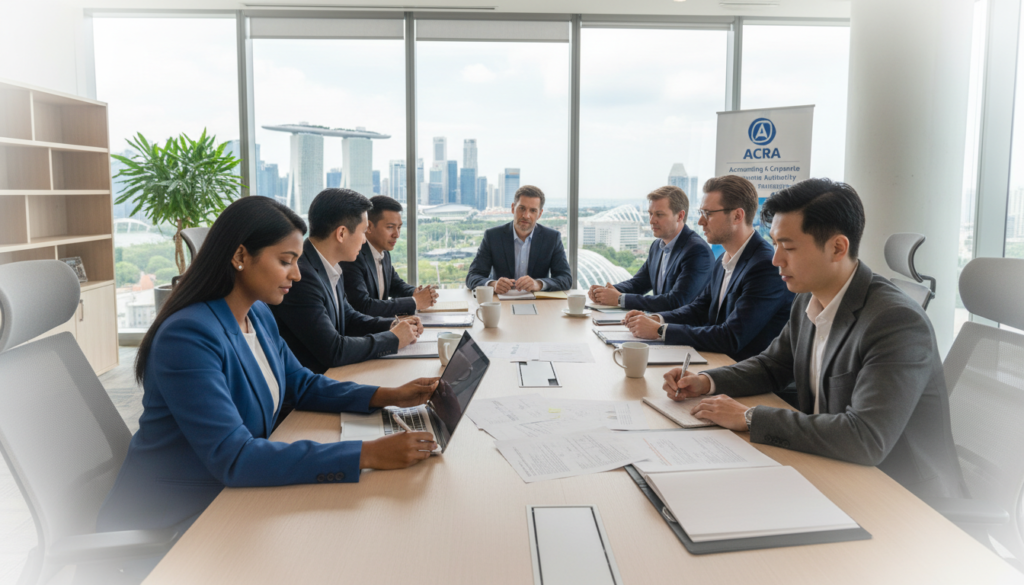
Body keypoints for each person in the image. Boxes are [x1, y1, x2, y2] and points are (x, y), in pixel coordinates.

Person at [98, 196, 439, 540]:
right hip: (173, 522)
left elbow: (301, 385)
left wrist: (389, 395)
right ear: (241, 256)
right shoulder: (188, 336)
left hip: (231, 499)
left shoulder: (258, 313)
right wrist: (368, 454)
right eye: (286, 261)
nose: (298, 273)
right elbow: (236, 457)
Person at [661, 178, 964, 499]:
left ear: (837, 247)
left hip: (897, 494)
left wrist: (749, 417)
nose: (776, 259)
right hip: (827, 465)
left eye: (788, 247)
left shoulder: (897, 322)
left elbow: (865, 438)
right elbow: (772, 366)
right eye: (775, 244)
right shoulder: (808, 298)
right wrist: (706, 381)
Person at [622, 176, 794, 361]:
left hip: (745, 375)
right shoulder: (723, 258)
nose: (701, 222)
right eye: (701, 213)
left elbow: (731, 336)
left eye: (708, 214)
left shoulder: (765, 266)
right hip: (716, 362)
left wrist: (660, 330)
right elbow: (699, 308)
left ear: (737, 216)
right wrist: (657, 319)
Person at [270, 189, 422, 373]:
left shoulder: (331, 265)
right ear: (341, 233)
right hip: (316, 386)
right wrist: (393, 339)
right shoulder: (302, 276)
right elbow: (333, 350)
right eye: (363, 232)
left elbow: (349, 318)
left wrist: (393, 325)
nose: (365, 241)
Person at [588, 186, 713, 311]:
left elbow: (677, 301)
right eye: (650, 214)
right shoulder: (657, 246)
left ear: (680, 216)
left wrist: (620, 299)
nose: (652, 220)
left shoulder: (697, 251)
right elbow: (638, 283)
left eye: (659, 214)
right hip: (657, 323)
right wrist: (604, 292)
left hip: (681, 328)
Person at [341, 195, 438, 317]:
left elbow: (394, 284)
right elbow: (362, 306)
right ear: (369, 227)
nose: (397, 234)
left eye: (399, 227)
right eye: (390, 227)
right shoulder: (353, 257)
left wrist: (416, 292)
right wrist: (414, 302)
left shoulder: (384, 253)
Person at [465, 185, 572, 293]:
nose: (526, 215)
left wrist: (539, 284)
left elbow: (566, 279)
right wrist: (493, 284)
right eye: (522, 208)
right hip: (501, 303)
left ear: (539, 214)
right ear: (513, 208)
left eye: (533, 210)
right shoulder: (492, 236)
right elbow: (472, 276)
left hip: (538, 303)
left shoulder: (552, 238)